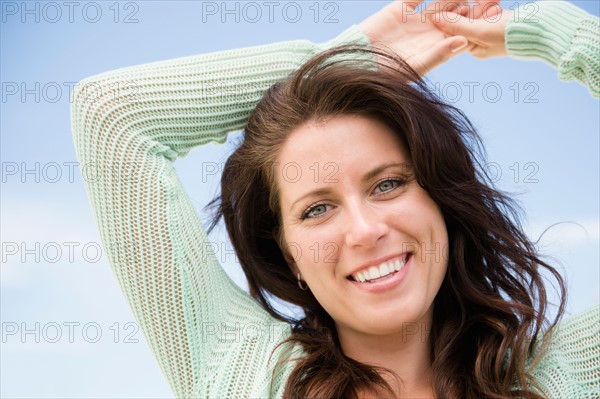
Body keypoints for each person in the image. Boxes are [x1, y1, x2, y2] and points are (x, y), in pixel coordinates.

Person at [70, 0, 599, 397]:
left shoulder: (563, 376)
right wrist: (343, 60)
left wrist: (558, 34)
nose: (365, 230)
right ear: (288, 253)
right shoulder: (244, 371)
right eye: (316, 209)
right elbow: (110, 113)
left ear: (441, 201)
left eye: (388, 184)